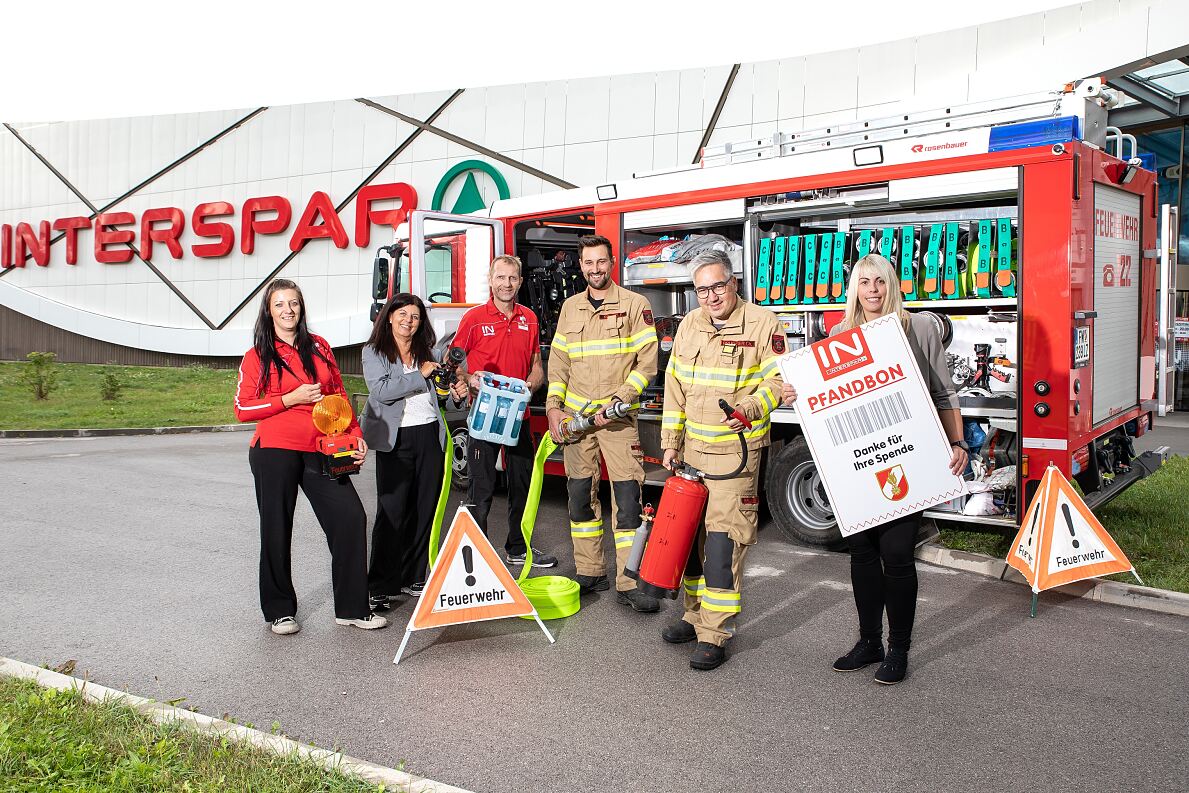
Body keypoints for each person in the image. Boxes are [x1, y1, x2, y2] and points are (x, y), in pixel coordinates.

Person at [781, 253, 967, 685]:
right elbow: (821, 397)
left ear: (892, 286)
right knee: (862, 554)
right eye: (864, 282)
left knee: (898, 555)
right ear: (855, 289)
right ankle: (870, 642)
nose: (873, 290)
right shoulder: (842, 335)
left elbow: (945, 392)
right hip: (857, 466)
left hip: (906, 457)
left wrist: (957, 442)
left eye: (880, 282)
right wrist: (796, 391)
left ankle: (898, 648)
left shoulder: (917, 328)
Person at [234, 278, 388, 635]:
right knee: (276, 528)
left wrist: (354, 435)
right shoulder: (258, 354)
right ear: (268, 311)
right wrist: (291, 399)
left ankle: (352, 608)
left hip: (322, 447)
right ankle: (279, 611)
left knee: (350, 517)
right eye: (280, 304)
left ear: (301, 308)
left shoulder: (318, 346)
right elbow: (242, 407)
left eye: (294, 303)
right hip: (274, 449)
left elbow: (338, 393)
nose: (288, 310)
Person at [659, 250, 784, 670]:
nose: (711, 296)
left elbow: (779, 381)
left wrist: (749, 409)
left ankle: (715, 634)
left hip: (736, 455)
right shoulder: (689, 326)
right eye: (702, 290)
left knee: (721, 544)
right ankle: (694, 618)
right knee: (690, 543)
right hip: (692, 451)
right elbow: (674, 387)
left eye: (718, 286)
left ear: (735, 284)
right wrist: (671, 441)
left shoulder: (764, 324)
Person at [545, 235, 660, 612]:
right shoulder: (570, 308)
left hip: (617, 421)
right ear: (580, 265)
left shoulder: (633, 305)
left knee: (627, 503)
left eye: (601, 262)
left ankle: (630, 580)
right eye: (588, 263)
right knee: (579, 499)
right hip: (578, 423)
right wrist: (554, 408)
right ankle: (591, 570)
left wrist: (623, 397)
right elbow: (559, 364)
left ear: (611, 263)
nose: (595, 269)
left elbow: (648, 362)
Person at [452, 255, 558, 568]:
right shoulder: (473, 318)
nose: (506, 284)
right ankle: (479, 555)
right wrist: (469, 378)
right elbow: (454, 360)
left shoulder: (530, 318)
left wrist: (532, 384)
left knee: (522, 487)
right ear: (490, 280)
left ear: (521, 282)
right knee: (481, 490)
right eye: (501, 278)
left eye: (512, 278)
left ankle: (518, 548)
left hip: (518, 418)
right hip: (485, 418)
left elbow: (537, 365)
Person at [360, 293, 449, 612]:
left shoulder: (430, 351)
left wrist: (455, 389)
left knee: (424, 508)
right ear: (390, 315)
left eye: (415, 316)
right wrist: (419, 374)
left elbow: (442, 394)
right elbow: (381, 391)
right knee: (392, 511)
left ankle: (413, 577)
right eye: (403, 314)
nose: (409, 320)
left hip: (428, 435)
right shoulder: (374, 351)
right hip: (395, 438)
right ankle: (379, 584)